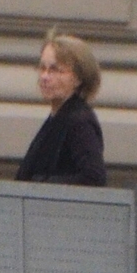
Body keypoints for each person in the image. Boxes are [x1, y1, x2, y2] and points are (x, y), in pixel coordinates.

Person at [16, 31, 106, 187]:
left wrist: (41, 185)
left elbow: (93, 178)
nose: (44, 76)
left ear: (78, 78)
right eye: (42, 68)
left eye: (55, 70)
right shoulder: (58, 117)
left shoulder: (79, 121)